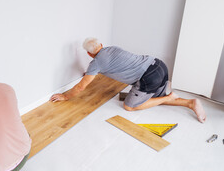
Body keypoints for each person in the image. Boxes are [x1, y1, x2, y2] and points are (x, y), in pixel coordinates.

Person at [50, 37, 206, 123]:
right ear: (102, 45)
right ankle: (191, 103)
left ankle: (170, 97)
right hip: (158, 65)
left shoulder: (96, 63)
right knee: (156, 98)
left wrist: (64, 96)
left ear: (89, 55)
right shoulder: (112, 49)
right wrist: (91, 71)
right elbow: (112, 64)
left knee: (129, 106)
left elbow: (81, 87)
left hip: (148, 77)